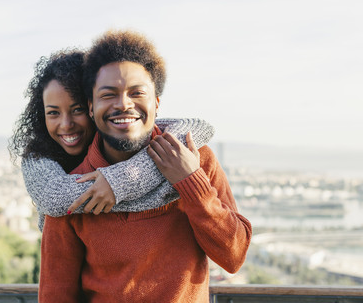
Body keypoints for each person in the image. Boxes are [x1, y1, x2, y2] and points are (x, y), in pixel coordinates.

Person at [38, 31, 252, 302]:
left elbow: (233, 257)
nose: (124, 104)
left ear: (157, 103)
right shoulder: (71, 190)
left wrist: (191, 182)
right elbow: (56, 296)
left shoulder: (196, 159)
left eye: (137, 93)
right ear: (91, 107)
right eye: (108, 94)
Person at [9, 50, 215, 231]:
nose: (66, 124)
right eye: (53, 113)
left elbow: (198, 126)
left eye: (78, 109)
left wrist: (117, 183)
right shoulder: (37, 158)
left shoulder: (120, 141)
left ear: (94, 107)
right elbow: (55, 199)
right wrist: (123, 183)